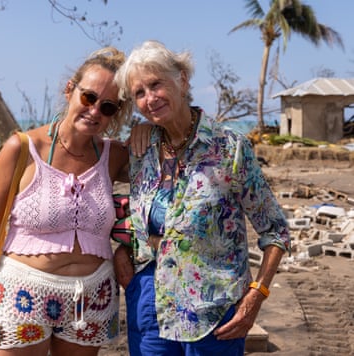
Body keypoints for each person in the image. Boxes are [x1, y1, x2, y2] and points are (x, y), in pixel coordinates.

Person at [113, 40, 290, 356]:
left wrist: (256, 295)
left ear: (181, 80)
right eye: (139, 93)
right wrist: (123, 251)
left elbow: (275, 231)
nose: (149, 99)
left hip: (214, 309)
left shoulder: (228, 148)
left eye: (156, 85)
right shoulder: (141, 149)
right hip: (149, 303)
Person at [0, 46, 132, 356]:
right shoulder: (22, 148)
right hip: (22, 293)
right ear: (70, 90)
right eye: (89, 98)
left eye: (108, 107)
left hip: (93, 298)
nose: (95, 111)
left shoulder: (115, 156)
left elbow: (169, 168)